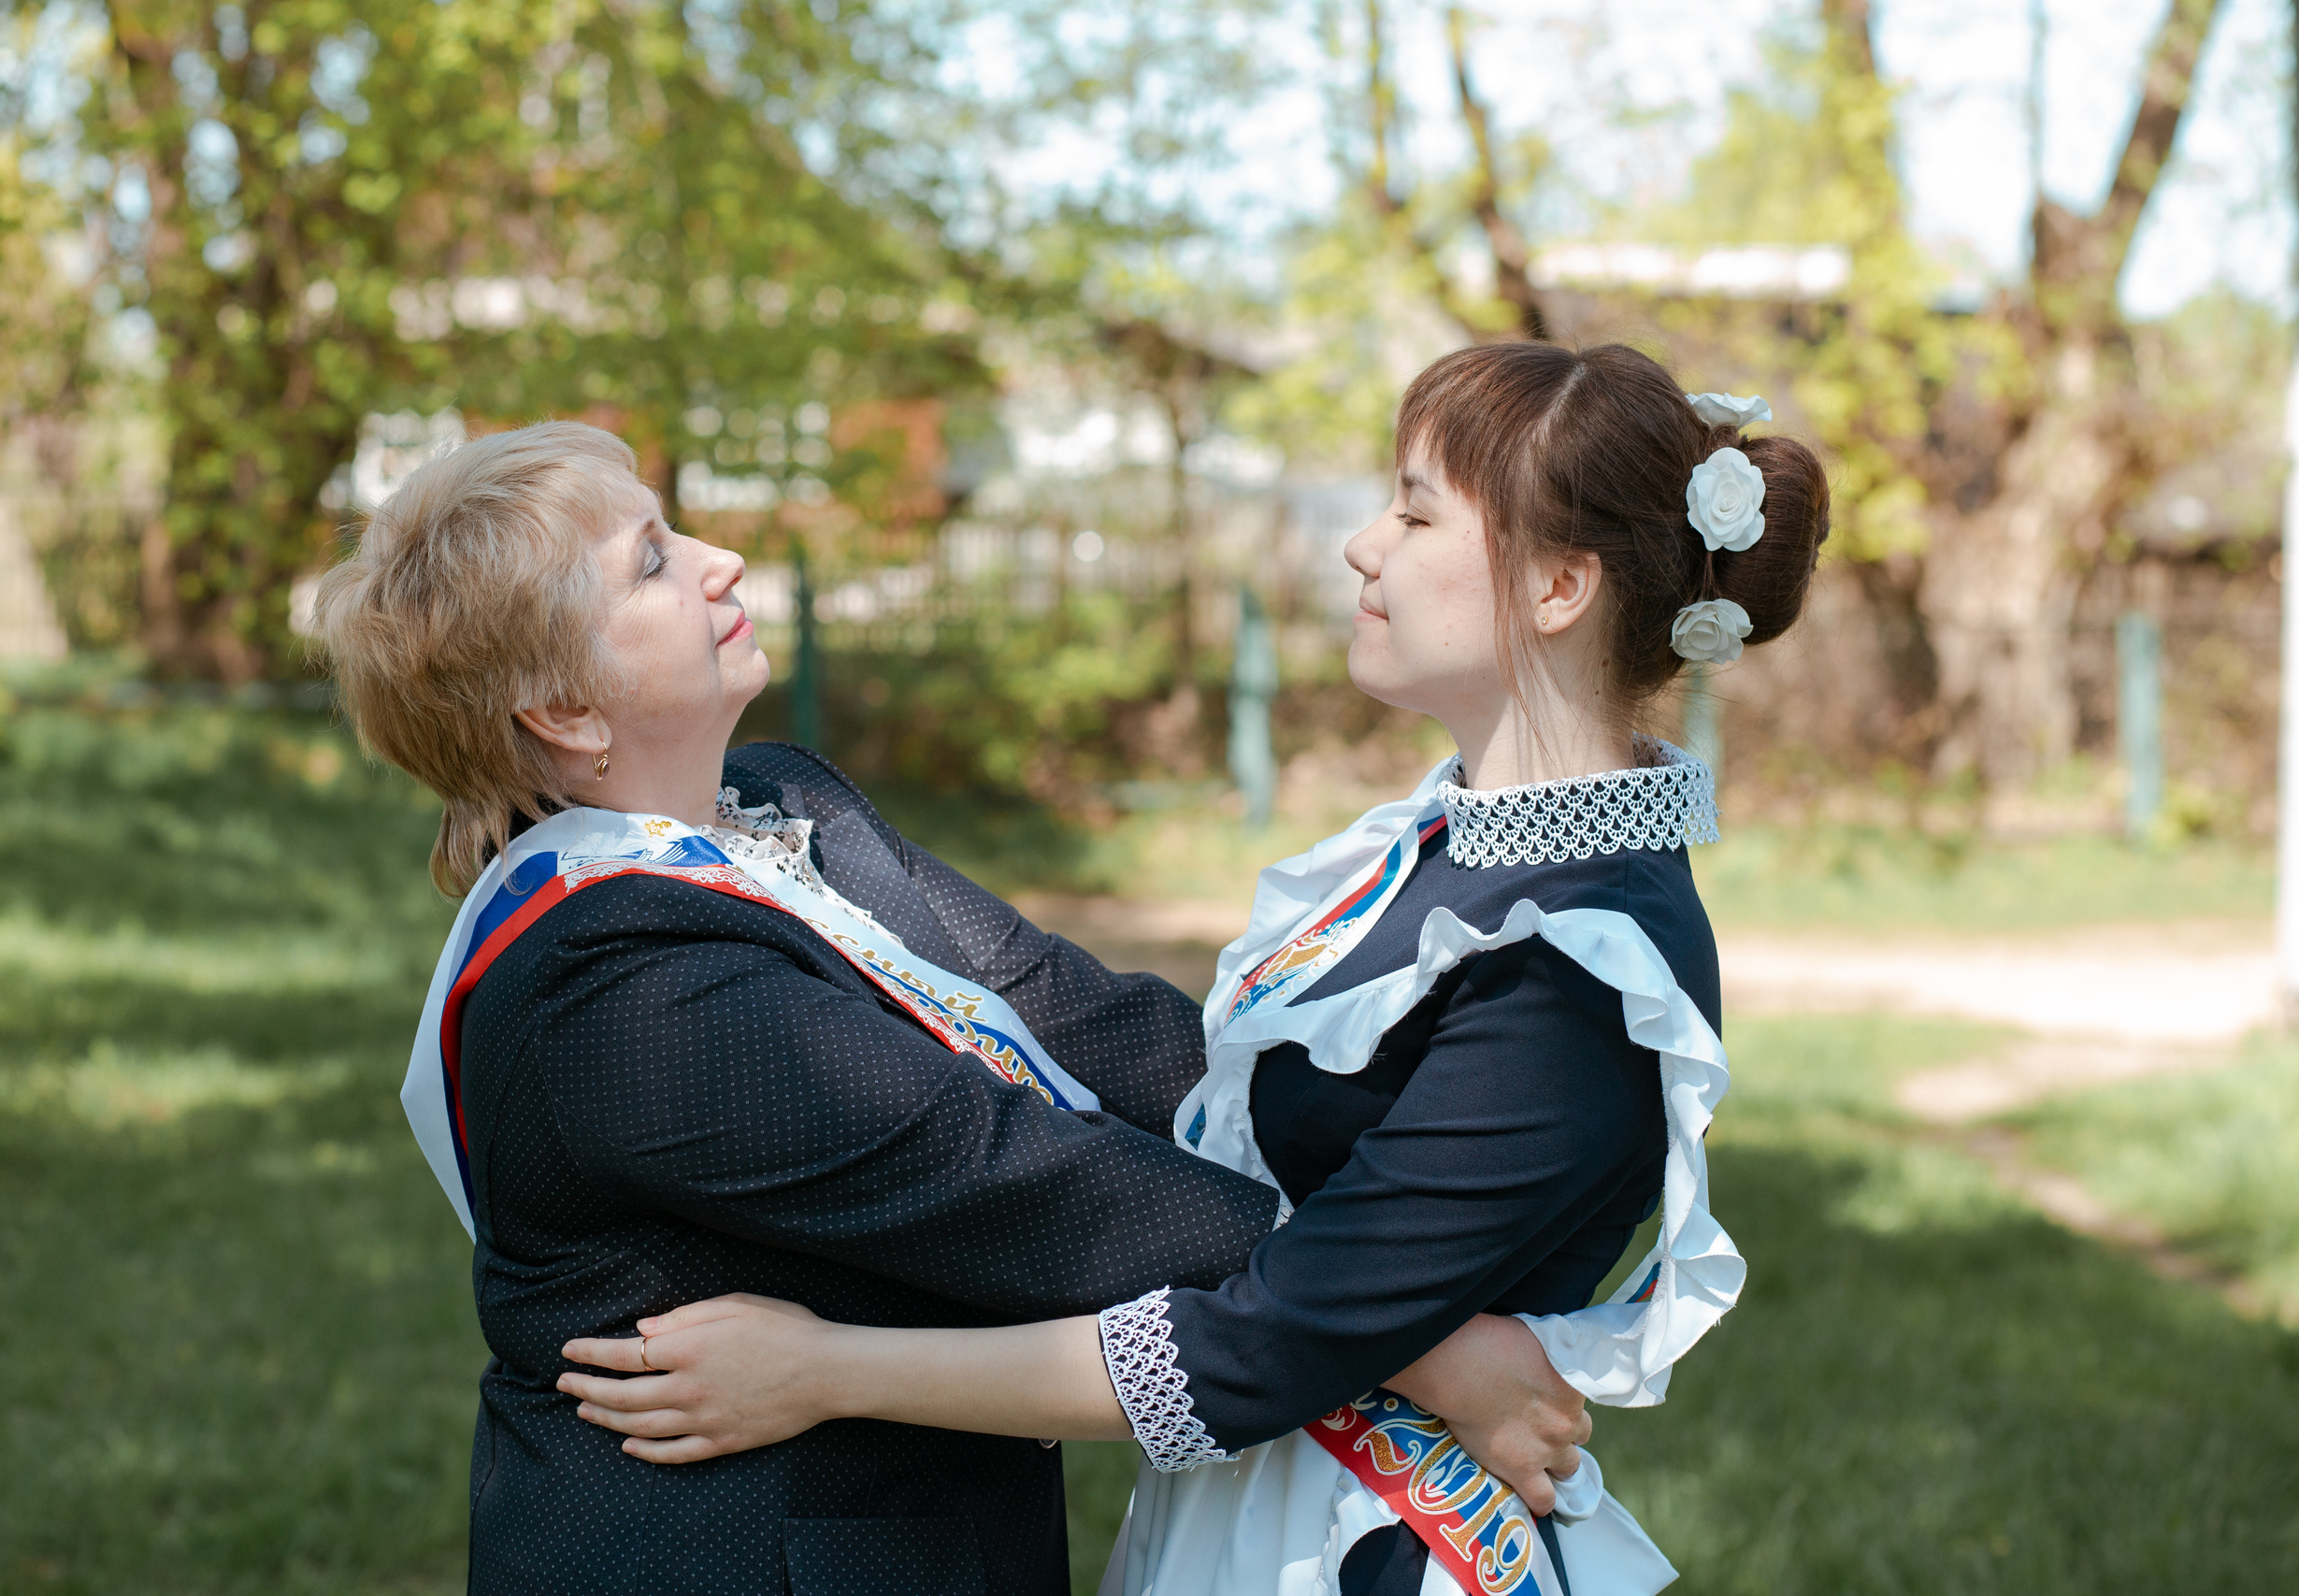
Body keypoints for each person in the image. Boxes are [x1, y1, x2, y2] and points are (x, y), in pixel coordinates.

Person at [557, 343, 1831, 1596]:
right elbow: (1193, 1094)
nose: (1364, 546)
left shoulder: (1580, 960)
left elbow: (1255, 1347)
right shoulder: (1469, 850)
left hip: (1373, 1546)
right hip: (1264, 1516)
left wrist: (823, 1371)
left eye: (1414, 512)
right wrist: (1427, 1344)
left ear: (1558, 587)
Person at [313, 419, 1595, 1596]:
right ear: (563, 710)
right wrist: (1409, 1325)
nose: (719, 559)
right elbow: (1013, 1179)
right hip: (744, 1559)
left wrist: (1392, 1139)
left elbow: (1071, 1014)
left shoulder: (789, 808)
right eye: (651, 561)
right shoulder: (620, 995)